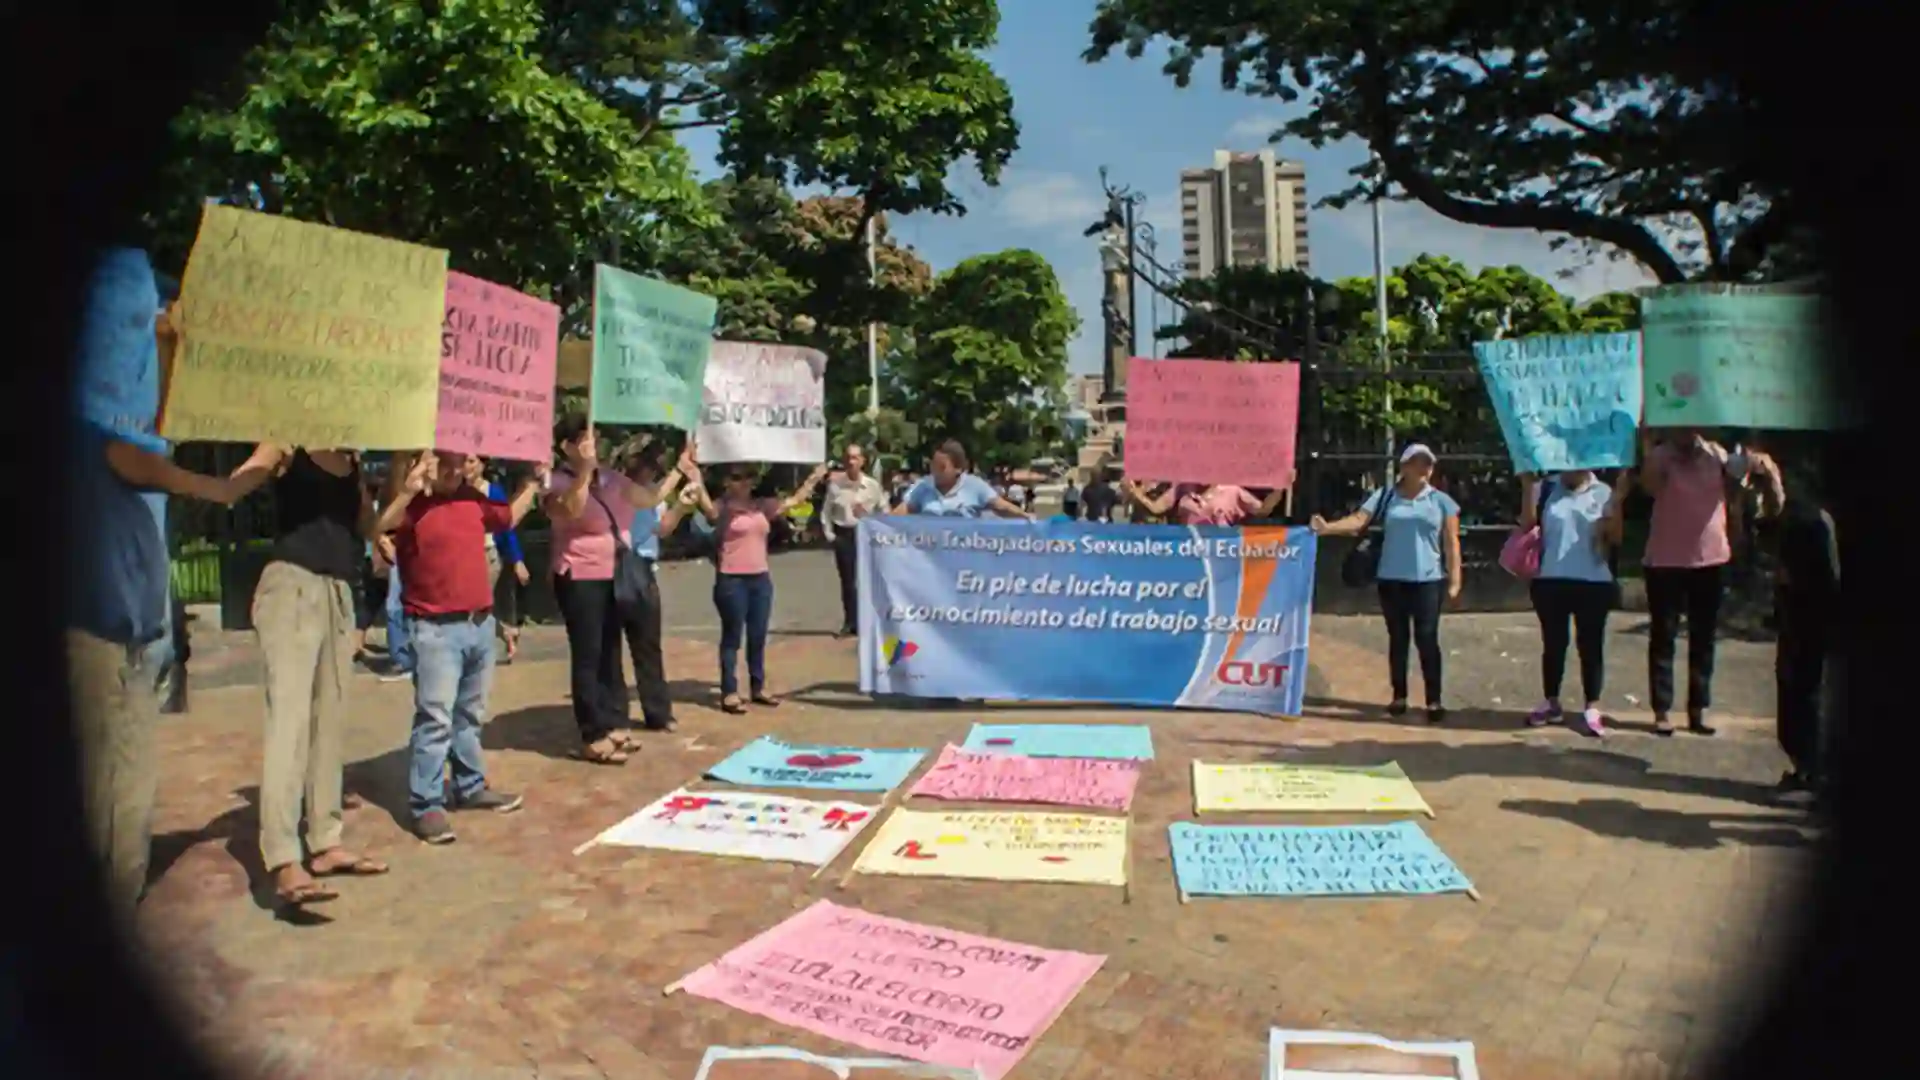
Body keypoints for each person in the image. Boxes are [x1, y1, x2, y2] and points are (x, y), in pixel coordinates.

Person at [66, 248, 240, 919]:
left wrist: (168, 349)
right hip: (90, 626)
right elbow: (131, 456)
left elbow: (155, 434)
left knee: (129, 774)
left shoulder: (119, 415)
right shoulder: (79, 421)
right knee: (104, 773)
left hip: (135, 624)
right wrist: (215, 488)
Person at [220, 445, 388, 906]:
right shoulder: (288, 442)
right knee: (289, 725)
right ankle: (282, 857)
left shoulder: (351, 458)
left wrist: (392, 481)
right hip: (291, 584)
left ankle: (325, 840)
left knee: (330, 724)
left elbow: (367, 528)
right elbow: (233, 487)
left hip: (338, 590)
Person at [372, 449, 543, 843]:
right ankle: (426, 804)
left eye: (460, 462)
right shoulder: (414, 505)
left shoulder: (473, 498)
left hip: (478, 624)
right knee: (435, 720)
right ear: (427, 463)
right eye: (444, 463)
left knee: (469, 715)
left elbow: (506, 518)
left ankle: (470, 785)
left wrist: (533, 484)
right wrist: (407, 487)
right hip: (435, 629)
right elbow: (380, 526)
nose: (453, 470)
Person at [541, 418, 674, 765]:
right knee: (588, 653)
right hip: (578, 575)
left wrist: (681, 472)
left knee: (610, 650)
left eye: (595, 437)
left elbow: (650, 498)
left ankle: (614, 722)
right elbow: (570, 509)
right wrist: (585, 472)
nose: (593, 443)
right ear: (567, 447)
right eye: (584, 438)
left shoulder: (613, 479)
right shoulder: (557, 481)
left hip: (613, 574)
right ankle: (592, 732)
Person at [1311, 444, 1463, 723]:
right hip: (1391, 578)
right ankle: (1399, 695)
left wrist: (1455, 581)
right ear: (1405, 467)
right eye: (1418, 463)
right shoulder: (1386, 496)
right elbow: (1359, 520)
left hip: (1428, 579)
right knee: (1398, 638)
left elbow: (1451, 542)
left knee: (1427, 638)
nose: (1424, 469)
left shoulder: (1442, 501)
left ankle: (1434, 699)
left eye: (1428, 464)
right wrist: (1327, 528)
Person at [683, 456, 830, 714]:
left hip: (760, 577)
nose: (744, 482)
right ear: (727, 482)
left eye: (749, 476)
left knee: (758, 635)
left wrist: (815, 477)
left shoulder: (762, 506)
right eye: (737, 477)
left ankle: (758, 686)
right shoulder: (722, 507)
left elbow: (795, 501)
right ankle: (729, 691)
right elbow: (708, 511)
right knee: (732, 637)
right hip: (731, 578)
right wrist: (694, 475)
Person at [1638, 428, 1754, 736]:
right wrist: (1652, 447)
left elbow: (1738, 482)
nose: (1686, 431)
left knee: (1703, 638)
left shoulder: (1716, 454)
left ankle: (1698, 710)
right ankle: (1662, 710)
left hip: (1710, 559)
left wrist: (1747, 458)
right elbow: (1649, 487)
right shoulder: (1661, 455)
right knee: (1664, 636)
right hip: (1665, 559)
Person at [1518, 469, 1626, 737]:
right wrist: (1528, 487)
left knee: (1590, 645)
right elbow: (1528, 525)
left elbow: (1616, 537)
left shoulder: (1603, 492)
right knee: (1553, 644)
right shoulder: (1547, 489)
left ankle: (1592, 705)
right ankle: (1551, 701)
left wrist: (1617, 503)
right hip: (1551, 577)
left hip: (1593, 580)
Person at [617, 438, 693, 734]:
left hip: (645, 569)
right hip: (620, 563)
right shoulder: (619, 488)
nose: (650, 469)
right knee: (610, 648)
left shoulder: (655, 494)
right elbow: (651, 498)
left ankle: (658, 713)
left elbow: (662, 528)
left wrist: (682, 507)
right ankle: (614, 714)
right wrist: (680, 470)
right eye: (645, 463)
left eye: (653, 465)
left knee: (648, 645)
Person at [821, 442, 887, 637]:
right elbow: (826, 512)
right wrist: (830, 535)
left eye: (855, 458)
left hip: (866, 534)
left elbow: (884, 509)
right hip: (844, 534)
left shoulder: (872, 486)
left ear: (862, 461)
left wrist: (873, 520)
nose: (851, 462)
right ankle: (851, 622)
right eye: (848, 458)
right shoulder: (836, 485)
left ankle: (870, 621)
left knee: (868, 579)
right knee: (848, 581)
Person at [893, 440, 1032, 519]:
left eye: (941, 467)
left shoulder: (975, 486)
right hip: (929, 556)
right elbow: (899, 513)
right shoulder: (922, 486)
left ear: (958, 469)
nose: (935, 470)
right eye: (932, 465)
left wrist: (1028, 519)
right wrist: (880, 526)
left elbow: (1002, 507)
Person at [483, 463, 531, 665]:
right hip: (461, 556)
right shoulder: (455, 489)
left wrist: (517, 559)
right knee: (474, 608)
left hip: (487, 554)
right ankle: (506, 632)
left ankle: (483, 652)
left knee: (477, 606)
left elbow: (505, 527)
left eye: (471, 462)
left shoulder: (492, 492)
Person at [1120, 478, 1283, 525]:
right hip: (1188, 551)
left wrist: (1281, 488)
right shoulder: (1183, 486)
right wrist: (1136, 493)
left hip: (1220, 553)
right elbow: (1157, 508)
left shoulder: (1232, 490)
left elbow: (1263, 511)